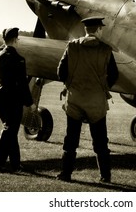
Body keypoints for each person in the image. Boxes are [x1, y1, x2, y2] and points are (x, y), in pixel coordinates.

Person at [57, 17, 119, 183]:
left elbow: (60, 72)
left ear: (86, 29)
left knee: (71, 139)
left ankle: (66, 173)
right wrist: (102, 88)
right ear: (98, 29)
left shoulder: (72, 46)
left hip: (75, 99)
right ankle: (105, 176)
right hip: (96, 101)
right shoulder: (106, 49)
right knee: (100, 141)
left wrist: (71, 84)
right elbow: (114, 75)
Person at [0, 27, 36, 172]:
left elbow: (0, 49)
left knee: (11, 131)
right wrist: (30, 103)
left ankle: (15, 164)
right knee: (9, 130)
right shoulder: (18, 59)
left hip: (0, 98)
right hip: (13, 101)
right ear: (15, 39)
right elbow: (22, 84)